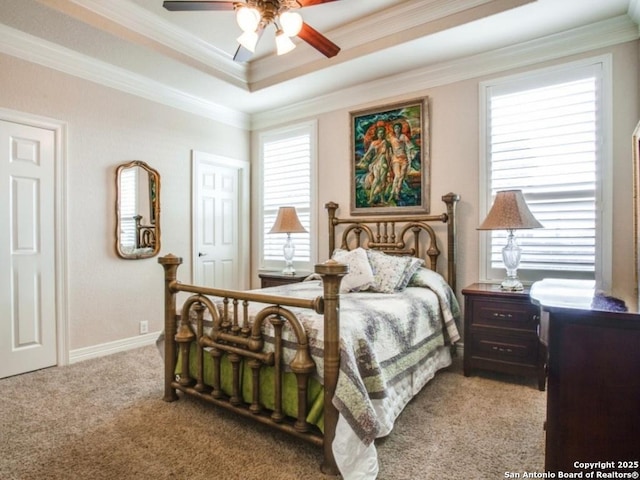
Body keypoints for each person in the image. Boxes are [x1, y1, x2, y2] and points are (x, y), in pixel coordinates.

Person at [357, 125, 392, 205]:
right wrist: (363, 160)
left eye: (382, 133)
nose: (381, 135)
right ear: (377, 134)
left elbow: (389, 154)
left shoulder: (386, 142)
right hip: (376, 163)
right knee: (376, 180)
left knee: (383, 182)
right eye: (379, 133)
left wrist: (389, 165)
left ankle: (382, 199)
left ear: (384, 134)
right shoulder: (374, 143)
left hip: (384, 163)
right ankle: (371, 198)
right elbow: (368, 153)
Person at [388, 121, 417, 202]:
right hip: (395, 159)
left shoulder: (403, 136)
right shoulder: (391, 138)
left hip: (404, 159)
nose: (397, 129)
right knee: (397, 176)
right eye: (395, 128)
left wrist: (411, 155)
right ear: (394, 129)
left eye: (398, 128)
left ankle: (397, 194)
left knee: (401, 177)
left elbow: (410, 146)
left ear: (400, 129)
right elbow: (389, 148)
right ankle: (392, 193)